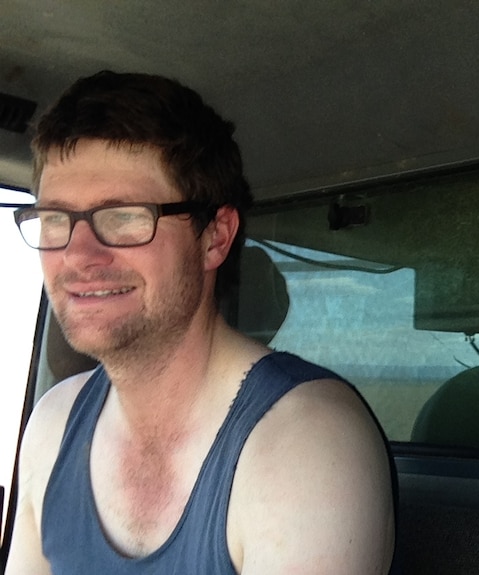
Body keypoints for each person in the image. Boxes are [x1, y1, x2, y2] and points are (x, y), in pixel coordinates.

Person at [6, 70, 398, 574]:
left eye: (125, 217)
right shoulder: (54, 424)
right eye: (56, 219)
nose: (78, 255)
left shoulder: (305, 441)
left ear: (214, 237)